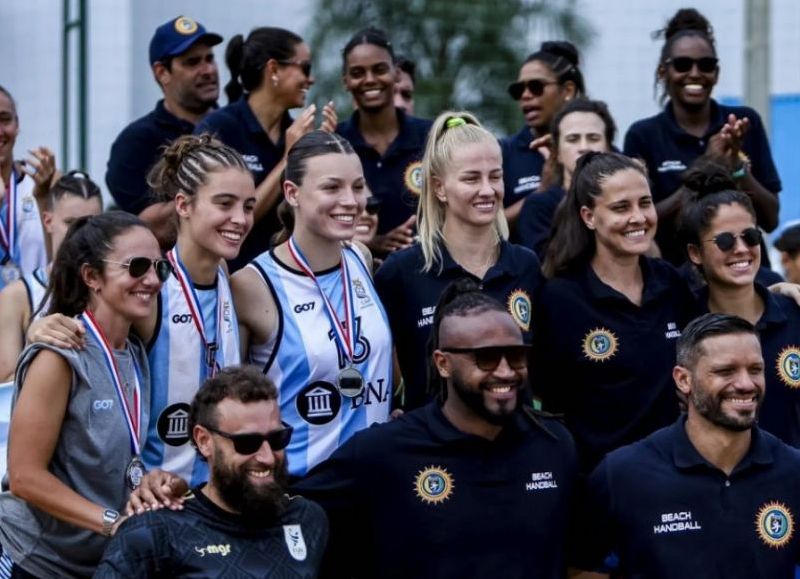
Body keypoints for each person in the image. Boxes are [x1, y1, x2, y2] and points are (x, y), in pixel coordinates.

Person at [295, 280, 577, 579]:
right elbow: (286, 519)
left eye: (516, 356)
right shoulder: (383, 452)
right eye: (487, 358)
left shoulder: (554, 445)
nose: (505, 371)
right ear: (443, 363)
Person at [28, 136, 257, 488]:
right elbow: (75, 326)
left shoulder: (225, 275)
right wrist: (40, 329)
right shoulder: (149, 288)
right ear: (183, 205)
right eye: (225, 203)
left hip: (215, 497)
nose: (240, 219)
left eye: (249, 206)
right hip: (152, 502)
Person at [0, 212, 168, 577]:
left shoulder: (134, 351)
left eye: (159, 267)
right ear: (92, 276)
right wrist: (115, 522)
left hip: (89, 562)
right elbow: (24, 476)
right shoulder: (59, 355)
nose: (152, 279)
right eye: (137, 266)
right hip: (32, 559)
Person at [572, 313, 800, 578]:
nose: (746, 384)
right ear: (683, 380)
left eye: (755, 370)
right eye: (725, 371)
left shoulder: (793, 471)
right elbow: (582, 570)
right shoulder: (622, 474)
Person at [232, 130, 392, 478]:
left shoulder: (359, 257)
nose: (351, 201)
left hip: (377, 484)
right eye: (332, 188)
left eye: (358, 186)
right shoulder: (251, 284)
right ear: (292, 193)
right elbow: (231, 407)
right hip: (300, 490)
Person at [533, 152, 696, 472]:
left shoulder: (671, 282)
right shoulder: (560, 298)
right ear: (589, 216)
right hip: (598, 484)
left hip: (677, 476)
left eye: (645, 203)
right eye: (621, 207)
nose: (638, 217)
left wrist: (780, 290)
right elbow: (547, 400)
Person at [375, 111, 541, 411]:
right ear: (439, 187)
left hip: (514, 445)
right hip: (433, 450)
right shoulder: (401, 272)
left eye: (495, 176)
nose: (488, 190)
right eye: (471, 179)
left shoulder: (525, 265)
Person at [95, 366, 328, 578]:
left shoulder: (308, 519)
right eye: (247, 443)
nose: (267, 457)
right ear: (204, 441)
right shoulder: (155, 533)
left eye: (277, 438)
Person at [624, 8, 781, 266]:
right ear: (664, 72)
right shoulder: (643, 135)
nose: (695, 73)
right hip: (676, 277)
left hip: (745, 272)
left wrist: (738, 169)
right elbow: (641, 222)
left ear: (716, 73)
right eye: (683, 64)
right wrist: (707, 167)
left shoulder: (744, 122)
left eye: (706, 65)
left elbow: (771, 219)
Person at [196, 26, 336, 272]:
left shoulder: (296, 132)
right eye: (305, 68)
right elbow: (230, 217)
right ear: (273, 69)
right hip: (232, 277)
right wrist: (288, 160)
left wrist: (325, 156)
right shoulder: (219, 128)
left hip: (288, 279)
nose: (310, 79)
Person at [682, 167, 800, 447]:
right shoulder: (682, 325)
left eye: (750, 236)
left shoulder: (794, 312)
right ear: (695, 253)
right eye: (724, 240)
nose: (741, 249)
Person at [106, 16, 223, 248]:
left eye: (210, 58)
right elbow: (151, 229)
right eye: (193, 62)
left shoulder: (234, 126)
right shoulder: (135, 143)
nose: (208, 70)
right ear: (162, 72)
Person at [337, 27, 432, 257]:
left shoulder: (431, 136)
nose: (369, 80)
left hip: (424, 273)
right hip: (354, 276)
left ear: (396, 74)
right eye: (358, 72)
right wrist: (374, 243)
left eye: (379, 69)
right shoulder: (336, 142)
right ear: (346, 81)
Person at [0, 171, 103, 382]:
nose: (81, 234)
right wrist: (34, 348)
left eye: (90, 223)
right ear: (48, 221)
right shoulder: (16, 296)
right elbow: (4, 384)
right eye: (71, 223)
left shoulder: (111, 286)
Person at [515, 97, 616, 259]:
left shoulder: (627, 203)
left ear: (609, 148)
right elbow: (544, 269)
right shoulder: (538, 206)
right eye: (573, 139)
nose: (584, 147)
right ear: (557, 153)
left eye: (593, 138)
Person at [500, 41, 585, 225]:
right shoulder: (502, 153)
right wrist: (542, 191)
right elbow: (485, 228)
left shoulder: (598, 150)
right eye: (519, 89)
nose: (526, 95)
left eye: (536, 86)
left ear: (568, 90)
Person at [0, 85, 56, 291]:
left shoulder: (41, 184)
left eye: (4, 119)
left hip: (37, 314)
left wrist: (44, 198)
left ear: (17, 124)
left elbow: (62, 258)